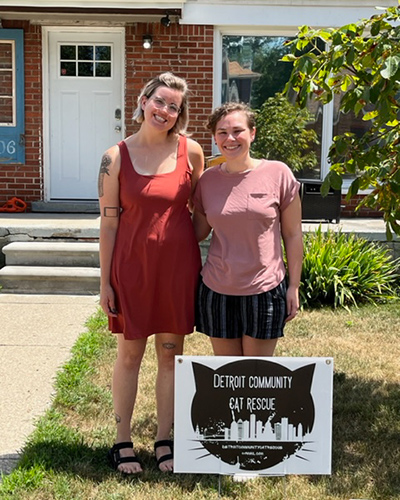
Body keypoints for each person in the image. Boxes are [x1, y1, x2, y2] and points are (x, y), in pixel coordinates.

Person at [98, 72, 204, 474]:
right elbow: (108, 223)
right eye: (159, 101)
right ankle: (121, 441)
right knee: (130, 354)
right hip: (131, 268)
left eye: (174, 106)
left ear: (180, 114)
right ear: (143, 101)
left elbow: (200, 211)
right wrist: (105, 280)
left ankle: (164, 440)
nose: (165, 111)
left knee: (170, 356)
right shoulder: (115, 157)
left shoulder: (191, 152)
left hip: (176, 270)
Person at [192, 102, 303, 357]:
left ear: (252, 133)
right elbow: (196, 232)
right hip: (217, 288)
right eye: (222, 132)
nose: (230, 138)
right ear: (214, 137)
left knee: (256, 376)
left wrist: (293, 286)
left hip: (264, 288)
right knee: (228, 377)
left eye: (237, 131)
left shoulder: (278, 173)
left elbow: (293, 235)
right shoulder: (207, 181)